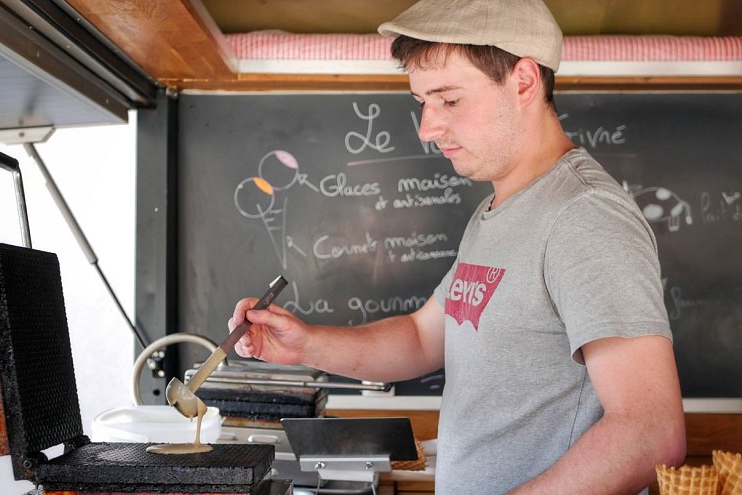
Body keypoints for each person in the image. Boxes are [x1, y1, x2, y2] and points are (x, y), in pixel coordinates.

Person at [230, 0, 686, 492]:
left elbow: (650, 432)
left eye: (449, 101)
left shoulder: (584, 216)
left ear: (524, 82)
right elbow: (424, 337)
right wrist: (306, 344)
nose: (428, 128)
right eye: (421, 102)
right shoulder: (497, 211)